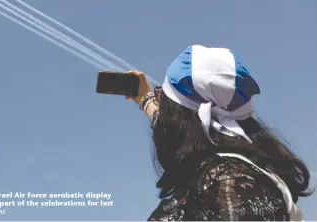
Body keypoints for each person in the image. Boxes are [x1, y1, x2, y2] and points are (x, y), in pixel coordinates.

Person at [127, 45, 313, 221]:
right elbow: (167, 124)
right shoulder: (235, 169)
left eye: (164, 99)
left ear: (182, 119)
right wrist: (145, 98)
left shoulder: (230, 184)